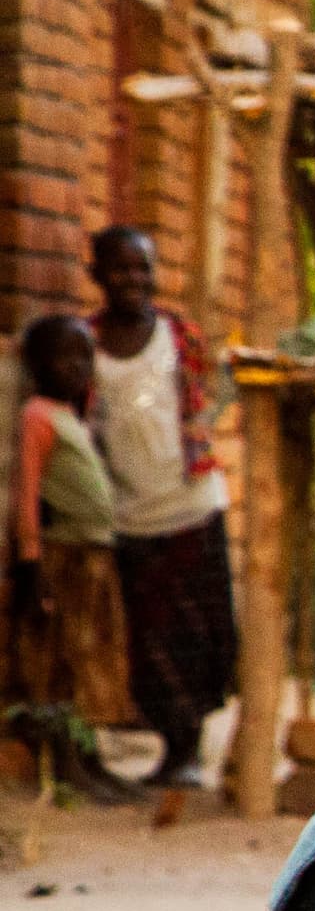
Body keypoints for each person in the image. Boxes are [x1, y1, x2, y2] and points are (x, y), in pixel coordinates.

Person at [84, 227, 235, 789]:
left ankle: (187, 752)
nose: (134, 280)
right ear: (96, 274)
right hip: (128, 515)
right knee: (149, 642)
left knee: (197, 635)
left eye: (143, 268)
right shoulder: (88, 342)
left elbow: (214, 395)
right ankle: (168, 748)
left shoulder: (176, 335)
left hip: (193, 507)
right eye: (121, 269)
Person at [11, 313, 140, 795]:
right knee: (62, 662)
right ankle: (66, 761)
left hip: (95, 560)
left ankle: (91, 756)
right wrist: (29, 561)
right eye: (65, 357)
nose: (78, 366)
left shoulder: (74, 414)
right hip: (63, 558)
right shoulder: (38, 415)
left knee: (93, 662)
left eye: (86, 356)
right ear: (38, 364)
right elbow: (27, 491)